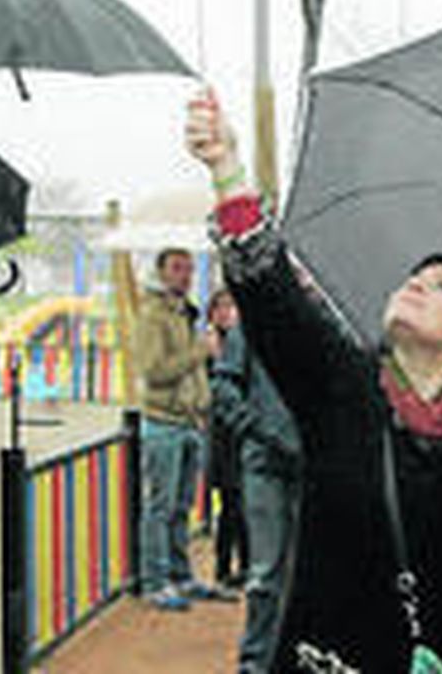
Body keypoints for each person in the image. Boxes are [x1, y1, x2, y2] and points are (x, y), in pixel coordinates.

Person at [185, 89, 442, 673]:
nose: (417, 283)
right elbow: (272, 296)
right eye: (415, 277)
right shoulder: (343, 386)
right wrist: (226, 169)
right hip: (336, 655)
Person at [211, 283, 304, 674]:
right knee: (265, 573)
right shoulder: (251, 326)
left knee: (310, 572)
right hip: (265, 462)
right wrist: (255, 426)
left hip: (316, 468)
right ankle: (254, 663)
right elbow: (222, 384)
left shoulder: (330, 330)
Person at [136, 245, 221, 611]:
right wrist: (199, 353)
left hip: (189, 421)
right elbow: (155, 371)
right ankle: (156, 581)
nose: (184, 276)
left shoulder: (186, 314)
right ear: (161, 273)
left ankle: (180, 575)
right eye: (176, 268)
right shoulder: (153, 315)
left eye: (188, 269)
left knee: (182, 506)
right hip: (164, 421)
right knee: (161, 506)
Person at [206, 287, 248, 591]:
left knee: (244, 505)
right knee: (231, 504)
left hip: (242, 436)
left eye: (230, 306)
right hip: (223, 436)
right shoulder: (209, 345)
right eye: (220, 307)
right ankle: (223, 567)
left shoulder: (242, 342)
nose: (226, 313)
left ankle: (246, 565)